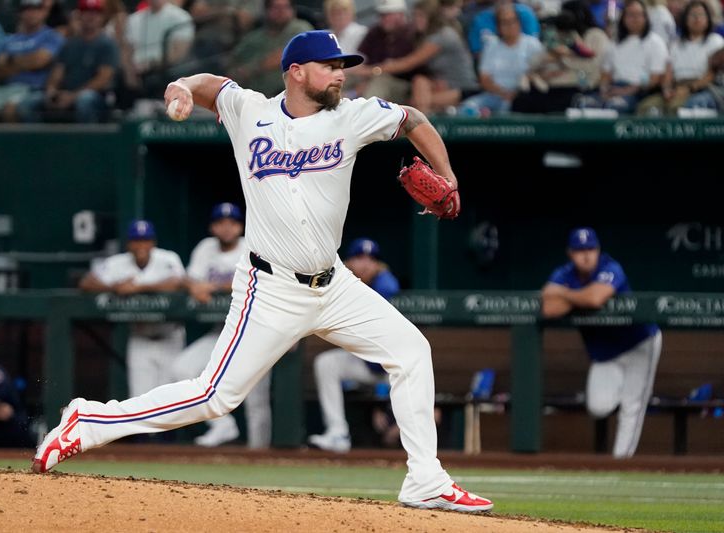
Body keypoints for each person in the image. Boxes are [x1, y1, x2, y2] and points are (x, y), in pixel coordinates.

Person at [33, 28, 493, 513]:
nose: (341, 73)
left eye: (342, 66)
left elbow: (414, 118)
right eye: (331, 65)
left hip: (334, 285)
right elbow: (213, 84)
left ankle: (425, 478)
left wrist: (448, 175)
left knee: (411, 351)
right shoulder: (250, 110)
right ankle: (88, 422)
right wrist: (185, 85)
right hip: (270, 288)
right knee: (213, 397)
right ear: (297, 72)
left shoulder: (354, 116)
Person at [541, 227, 662, 459]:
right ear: (570, 253)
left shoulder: (610, 267)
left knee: (632, 406)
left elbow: (596, 298)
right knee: (598, 407)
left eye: (590, 249)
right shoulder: (565, 273)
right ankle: (627, 391)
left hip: (639, 343)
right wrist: (581, 297)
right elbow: (549, 307)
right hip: (605, 354)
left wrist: (565, 294)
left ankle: (621, 464)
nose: (586, 255)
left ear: (598, 250)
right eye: (579, 250)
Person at [170, 202, 273, 448]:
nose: (226, 228)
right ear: (213, 227)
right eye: (221, 223)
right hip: (222, 331)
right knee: (182, 368)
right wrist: (193, 285)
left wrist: (214, 287)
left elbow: (258, 279)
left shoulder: (253, 245)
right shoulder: (206, 248)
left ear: (240, 226)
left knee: (255, 399)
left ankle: (262, 454)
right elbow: (189, 278)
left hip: (254, 333)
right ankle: (223, 426)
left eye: (232, 223)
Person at [307, 238, 400, 453]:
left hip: (391, 367)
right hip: (366, 363)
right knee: (327, 363)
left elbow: (388, 288)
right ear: (348, 262)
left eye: (372, 259)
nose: (366, 264)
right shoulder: (339, 279)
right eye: (359, 258)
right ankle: (337, 433)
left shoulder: (385, 283)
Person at [79, 220, 187, 397]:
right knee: (139, 399)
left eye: (145, 240)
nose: (141, 245)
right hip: (140, 337)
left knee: (170, 401)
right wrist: (114, 287)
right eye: (136, 241)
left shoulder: (168, 258)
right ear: (129, 244)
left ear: (153, 243)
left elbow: (179, 283)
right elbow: (86, 283)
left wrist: (139, 287)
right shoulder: (117, 263)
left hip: (170, 337)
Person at [19, 0, 119, 122]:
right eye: (86, 12)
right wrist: (52, 91)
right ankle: (38, 141)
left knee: (85, 100)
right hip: (66, 94)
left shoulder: (107, 44)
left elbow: (103, 79)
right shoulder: (69, 44)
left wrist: (73, 96)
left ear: (102, 17)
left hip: (97, 98)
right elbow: (57, 73)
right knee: (29, 103)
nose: (91, 16)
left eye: (95, 13)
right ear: (79, 15)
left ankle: (87, 141)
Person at [0, 0, 65, 123]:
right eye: (27, 9)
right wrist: (26, 62)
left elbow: (40, 60)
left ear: (44, 12)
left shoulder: (51, 36)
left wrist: (10, 61)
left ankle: (12, 142)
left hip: (31, 89)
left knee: (11, 109)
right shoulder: (9, 39)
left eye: (36, 9)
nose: (31, 13)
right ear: (20, 13)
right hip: (4, 87)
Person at [374, 0, 478, 115]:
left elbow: (409, 63)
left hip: (462, 88)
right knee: (420, 82)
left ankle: (425, 124)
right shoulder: (422, 37)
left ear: (432, 18)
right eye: (415, 15)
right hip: (440, 84)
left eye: (421, 16)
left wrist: (372, 70)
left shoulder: (443, 35)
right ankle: (426, 120)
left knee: (414, 102)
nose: (416, 19)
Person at [512, 0, 610, 114]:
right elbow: (537, 60)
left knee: (559, 106)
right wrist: (548, 62)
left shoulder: (596, 35)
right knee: (521, 101)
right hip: (550, 86)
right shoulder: (561, 34)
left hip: (577, 87)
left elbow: (593, 65)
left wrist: (564, 58)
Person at [637, 0, 723, 115]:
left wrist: (689, 89)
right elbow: (668, 72)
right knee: (646, 107)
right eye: (693, 15)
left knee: (678, 108)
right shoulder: (676, 44)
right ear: (685, 19)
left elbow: (712, 74)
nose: (697, 19)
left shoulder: (715, 41)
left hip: (704, 88)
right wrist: (666, 89)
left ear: (708, 19)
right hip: (677, 87)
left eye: (701, 15)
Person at [457, 2, 543, 116]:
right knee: (466, 108)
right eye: (504, 23)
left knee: (506, 109)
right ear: (498, 26)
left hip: (522, 97)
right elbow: (484, 78)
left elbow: (539, 74)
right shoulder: (491, 45)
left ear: (519, 23)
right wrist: (503, 93)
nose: (510, 26)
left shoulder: (532, 44)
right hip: (494, 94)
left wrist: (515, 94)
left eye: (512, 21)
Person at [582, 0, 668, 114]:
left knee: (615, 106)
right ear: (623, 18)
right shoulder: (615, 43)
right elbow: (606, 74)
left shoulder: (655, 42)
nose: (635, 19)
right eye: (630, 15)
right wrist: (604, 89)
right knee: (586, 103)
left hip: (640, 90)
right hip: (615, 86)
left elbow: (655, 79)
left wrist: (626, 90)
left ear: (646, 18)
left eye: (639, 15)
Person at [226, 0, 312, 98]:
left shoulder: (300, 28)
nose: (281, 11)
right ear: (266, 11)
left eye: (286, 7)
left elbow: (286, 54)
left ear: (293, 10)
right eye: (276, 8)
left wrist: (252, 69)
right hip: (254, 97)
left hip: (289, 95)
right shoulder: (254, 37)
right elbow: (233, 60)